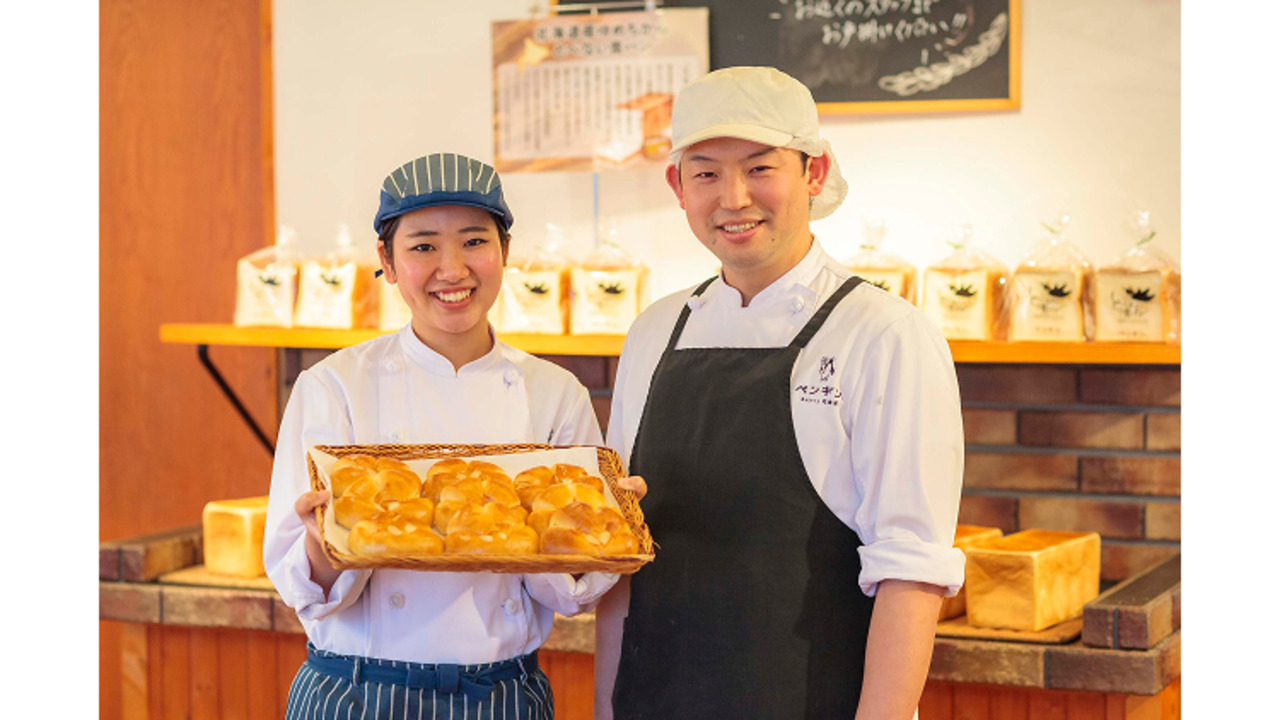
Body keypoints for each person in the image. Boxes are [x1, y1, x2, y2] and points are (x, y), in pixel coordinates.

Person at [594, 67, 967, 720]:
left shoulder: (884, 333)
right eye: (706, 173)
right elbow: (623, 557)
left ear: (815, 174)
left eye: (760, 168)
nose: (733, 198)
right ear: (678, 186)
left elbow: (912, 573)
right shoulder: (654, 331)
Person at [264, 152, 619, 720]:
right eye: (423, 246)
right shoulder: (334, 386)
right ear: (386, 259)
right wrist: (321, 542)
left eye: (475, 242)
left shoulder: (555, 393)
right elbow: (301, 586)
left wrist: (595, 529)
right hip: (356, 691)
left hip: (502, 693)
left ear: (505, 251)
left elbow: (569, 595)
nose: (452, 269)